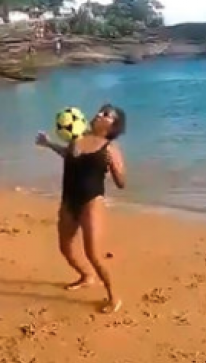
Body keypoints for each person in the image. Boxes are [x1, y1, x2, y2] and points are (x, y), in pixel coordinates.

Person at [36, 103, 127, 314]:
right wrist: (48, 144)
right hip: (69, 199)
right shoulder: (77, 137)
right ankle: (87, 276)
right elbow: (67, 154)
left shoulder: (109, 148)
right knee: (65, 248)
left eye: (106, 114)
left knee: (93, 253)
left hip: (91, 201)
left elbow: (122, 182)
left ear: (113, 125)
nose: (99, 114)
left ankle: (114, 296)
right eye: (100, 111)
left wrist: (113, 166)